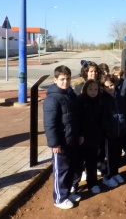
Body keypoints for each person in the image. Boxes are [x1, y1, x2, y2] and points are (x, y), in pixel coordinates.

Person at [43, 65, 82, 209]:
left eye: (67, 79)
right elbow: (50, 124)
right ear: (55, 80)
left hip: (72, 140)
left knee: (71, 168)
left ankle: (66, 193)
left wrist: (79, 135)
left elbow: (76, 118)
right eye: (62, 79)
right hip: (60, 143)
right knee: (61, 171)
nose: (65, 82)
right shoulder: (52, 99)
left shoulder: (70, 95)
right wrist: (54, 144)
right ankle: (59, 198)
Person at [73, 79, 104, 195]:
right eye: (90, 89)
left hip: (94, 136)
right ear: (85, 89)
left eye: (95, 89)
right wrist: (80, 134)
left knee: (92, 161)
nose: (93, 92)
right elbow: (78, 119)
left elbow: (101, 119)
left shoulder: (99, 101)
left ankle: (93, 183)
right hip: (82, 137)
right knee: (79, 162)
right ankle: (74, 184)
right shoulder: (81, 100)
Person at [100, 75, 126, 189]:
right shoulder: (103, 100)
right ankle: (107, 176)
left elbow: (125, 111)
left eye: (111, 85)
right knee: (109, 156)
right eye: (107, 87)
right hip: (109, 133)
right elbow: (103, 117)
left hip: (120, 131)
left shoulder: (120, 97)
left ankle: (115, 172)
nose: (110, 88)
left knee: (117, 154)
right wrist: (107, 130)